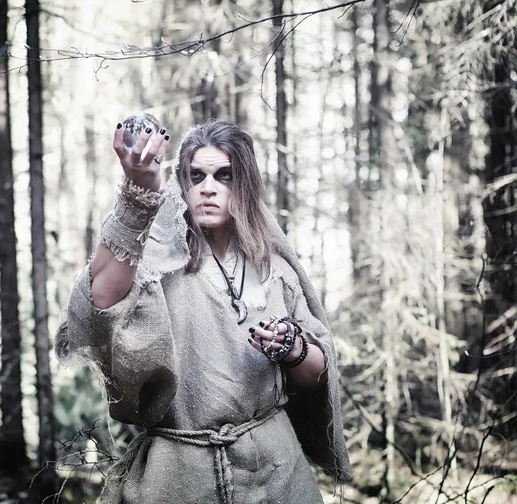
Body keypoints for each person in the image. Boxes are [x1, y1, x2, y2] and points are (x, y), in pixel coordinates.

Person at [55, 115, 352, 504]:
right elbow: (100, 302)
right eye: (196, 177)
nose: (207, 189)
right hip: (179, 475)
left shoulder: (275, 271)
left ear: (243, 186)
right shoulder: (158, 263)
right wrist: (139, 192)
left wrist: (293, 347)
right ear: (182, 183)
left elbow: (316, 376)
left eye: (223, 176)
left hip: (277, 472)